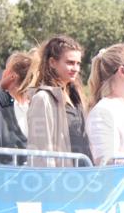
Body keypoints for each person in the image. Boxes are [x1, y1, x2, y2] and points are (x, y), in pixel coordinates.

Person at [19, 36, 90, 166]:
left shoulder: (77, 96)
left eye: (78, 63)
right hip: (60, 175)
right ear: (52, 62)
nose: (76, 68)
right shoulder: (42, 99)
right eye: (70, 62)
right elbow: (41, 150)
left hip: (84, 172)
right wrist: (50, 177)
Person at [1, 52, 32, 137]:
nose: (3, 72)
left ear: (12, 76)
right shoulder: (33, 105)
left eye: (6, 69)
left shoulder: (0, 102)